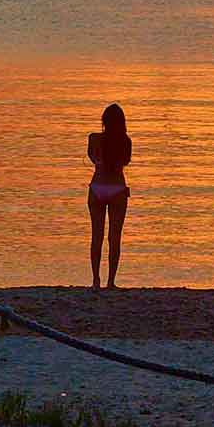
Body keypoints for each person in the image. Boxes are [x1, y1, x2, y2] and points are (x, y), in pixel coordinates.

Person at [87, 102, 133, 290]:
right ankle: (111, 281)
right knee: (115, 237)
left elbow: (91, 157)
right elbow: (126, 162)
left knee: (96, 236)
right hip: (117, 189)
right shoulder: (125, 141)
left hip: (97, 187)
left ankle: (96, 280)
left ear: (103, 120)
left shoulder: (94, 139)